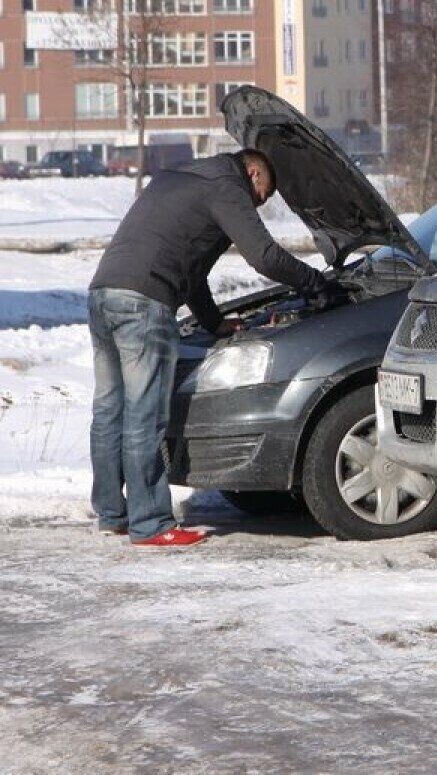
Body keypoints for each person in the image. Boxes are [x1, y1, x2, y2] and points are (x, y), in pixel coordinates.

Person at [88, 149, 333, 547]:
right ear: (253, 173)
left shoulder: (180, 176)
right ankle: (150, 524)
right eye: (262, 196)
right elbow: (264, 256)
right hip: (144, 303)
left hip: (103, 294)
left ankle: (112, 513)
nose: (258, 205)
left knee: (109, 411)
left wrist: (214, 323)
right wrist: (314, 283)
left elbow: (192, 272)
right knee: (144, 416)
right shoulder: (226, 186)